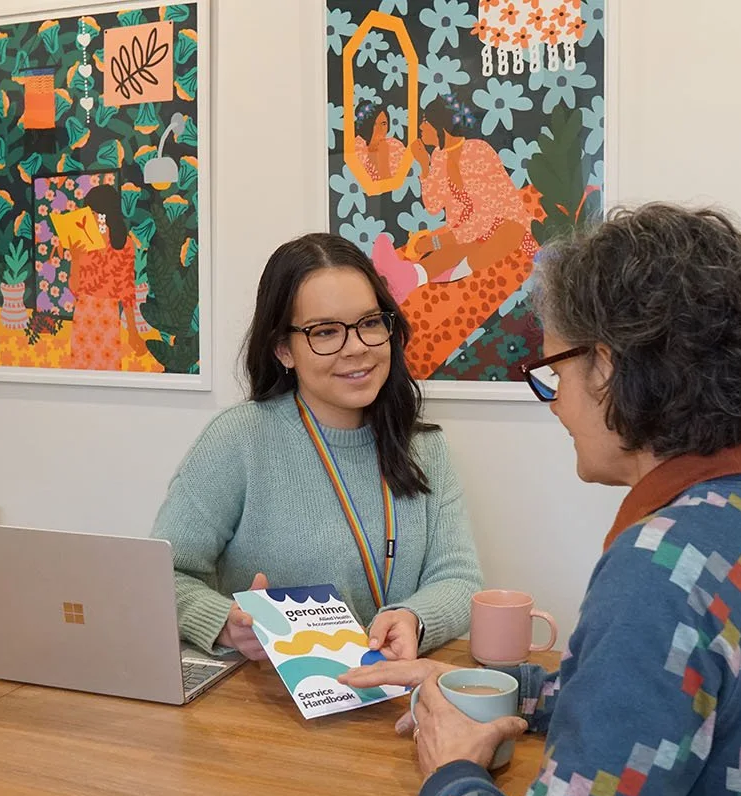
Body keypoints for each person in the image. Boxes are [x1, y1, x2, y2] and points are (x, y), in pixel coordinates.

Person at [344, 204, 741, 796]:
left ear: (605, 367)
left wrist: (451, 774)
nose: (555, 408)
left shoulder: (663, 567)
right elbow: (655, 697)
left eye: (554, 372)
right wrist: (491, 687)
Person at [151, 232, 484, 661]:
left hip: (389, 696)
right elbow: (164, 574)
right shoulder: (239, 439)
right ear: (283, 350)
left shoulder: (425, 447)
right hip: (262, 706)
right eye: (326, 332)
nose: (357, 348)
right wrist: (224, 623)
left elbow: (458, 577)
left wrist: (412, 618)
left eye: (369, 323)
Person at [370, 93, 538, 301]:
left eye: (425, 122)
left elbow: (484, 218)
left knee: (465, 244)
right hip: (469, 231)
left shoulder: (477, 151)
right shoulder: (440, 157)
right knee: (451, 246)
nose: (421, 129)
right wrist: (424, 166)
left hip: (505, 229)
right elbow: (433, 206)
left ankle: (422, 274)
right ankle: (405, 278)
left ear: (439, 125)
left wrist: (439, 242)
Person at [65, 183, 147, 369]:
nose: (89, 218)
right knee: (80, 368)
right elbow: (76, 289)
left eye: (93, 212)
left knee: (108, 367)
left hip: (108, 315)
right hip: (84, 314)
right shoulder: (83, 242)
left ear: (104, 214)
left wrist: (133, 332)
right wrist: (75, 259)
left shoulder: (124, 244)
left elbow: (127, 291)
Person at [351, 102, 406, 184]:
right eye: (375, 124)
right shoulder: (356, 147)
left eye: (384, 124)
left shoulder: (396, 146)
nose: (380, 129)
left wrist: (384, 158)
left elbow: (395, 186)